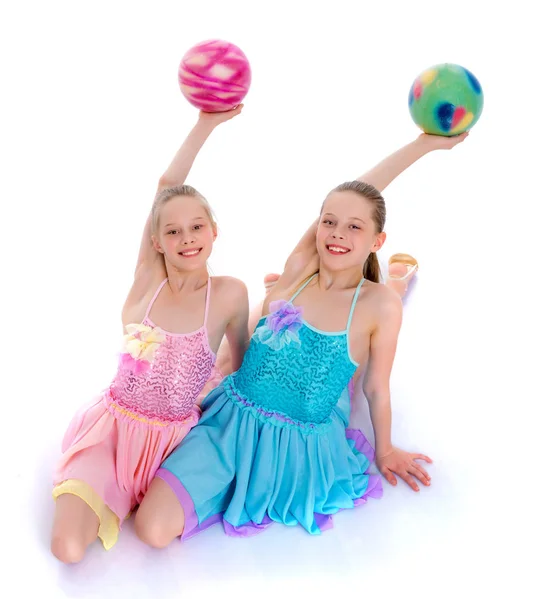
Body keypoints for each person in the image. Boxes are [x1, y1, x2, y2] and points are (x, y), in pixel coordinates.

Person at [134, 131, 468, 546]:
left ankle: (397, 279)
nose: (337, 233)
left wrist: (385, 450)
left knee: (365, 318)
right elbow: (355, 196)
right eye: (329, 222)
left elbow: (376, 389)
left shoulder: (376, 305)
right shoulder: (299, 268)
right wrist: (422, 144)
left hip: (299, 440)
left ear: (377, 240)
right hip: (232, 421)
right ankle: (263, 319)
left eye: (354, 227)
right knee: (151, 528)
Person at [50, 108, 249, 562]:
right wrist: (206, 124)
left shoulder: (228, 294)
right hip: (115, 434)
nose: (187, 238)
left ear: (214, 231)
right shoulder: (147, 280)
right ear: (157, 240)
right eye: (173, 231)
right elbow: (165, 187)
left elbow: (243, 363)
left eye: (198, 227)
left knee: (153, 533)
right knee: (67, 549)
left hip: (178, 441)